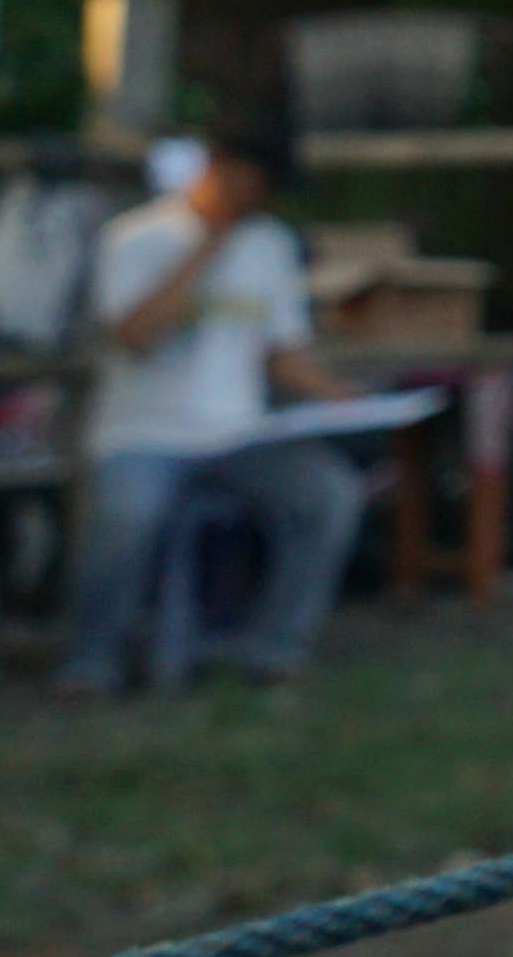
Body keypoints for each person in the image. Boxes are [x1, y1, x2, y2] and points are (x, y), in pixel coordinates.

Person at [63, 122, 366, 693]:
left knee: (330, 494)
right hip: (142, 433)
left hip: (239, 432)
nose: (263, 200)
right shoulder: (136, 239)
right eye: (257, 184)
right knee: (129, 515)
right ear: (220, 170)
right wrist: (208, 245)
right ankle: (91, 659)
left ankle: (275, 650)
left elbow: (282, 351)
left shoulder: (270, 243)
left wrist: (341, 398)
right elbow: (136, 334)